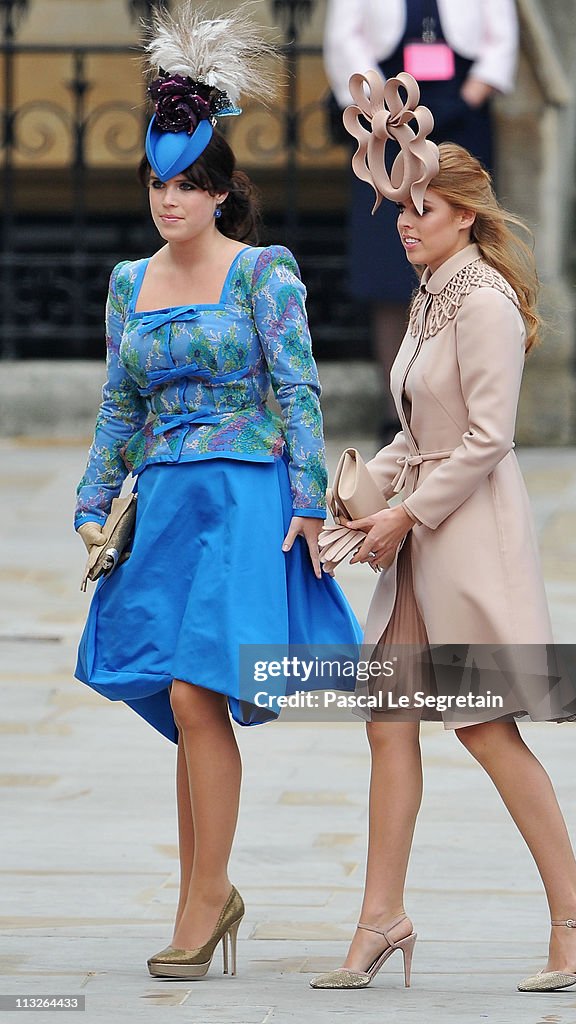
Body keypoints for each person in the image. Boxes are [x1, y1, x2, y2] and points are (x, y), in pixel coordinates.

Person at [310, 73, 576, 992]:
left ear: (465, 216)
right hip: (415, 541)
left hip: (465, 536)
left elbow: (487, 438)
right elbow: (419, 428)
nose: (405, 221)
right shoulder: (428, 291)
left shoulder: (478, 297)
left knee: (483, 729)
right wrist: (365, 494)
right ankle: (381, 919)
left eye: (424, 207)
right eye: (400, 206)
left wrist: (406, 511)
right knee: (387, 724)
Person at [74, 4, 360, 982]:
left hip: (243, 503)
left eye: (188, 185)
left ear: (221, 191)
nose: (170, 201)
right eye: (159, 183)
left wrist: (310, 501)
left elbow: (298, 391)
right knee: (173, 694)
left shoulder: (263, 275)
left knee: (203, 688)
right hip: (164, 507)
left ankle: (204, 897)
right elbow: (117, 402)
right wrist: (91, 499)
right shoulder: (127, 283)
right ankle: (209, 890)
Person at [323, 0, 519, 444]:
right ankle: (402, 413)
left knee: (467, 249)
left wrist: (469, 95)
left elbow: (501, 37)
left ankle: (468, 408)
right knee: (393, 266)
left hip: (461, 114)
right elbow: (344, 37)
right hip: (388, 121)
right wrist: (378, 107)